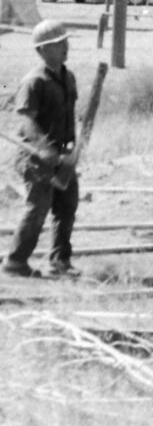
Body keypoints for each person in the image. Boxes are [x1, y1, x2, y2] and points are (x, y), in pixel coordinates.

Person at [8, 19, 80, 279]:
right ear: (42, 50)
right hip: (36, 159)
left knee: (67, 206)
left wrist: (71, 149)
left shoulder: (68, 77)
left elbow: (69, 116)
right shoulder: (34, 81)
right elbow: (27, 120)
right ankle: (16, 262)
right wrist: (44, 148)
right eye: (58, 44)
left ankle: (60, 262)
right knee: (38, 208)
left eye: (65, 42)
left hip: (63, 155)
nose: (65, 47)